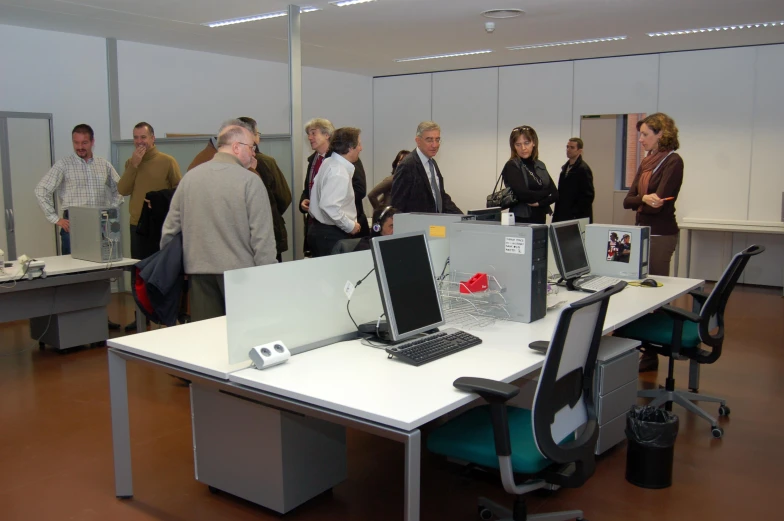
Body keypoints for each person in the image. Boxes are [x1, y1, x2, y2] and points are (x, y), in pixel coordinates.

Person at [160, 121, 277, 322]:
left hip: (199, 275)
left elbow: (169, 230)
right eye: (251, 147)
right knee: (243, 337)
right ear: (236, 147)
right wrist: (268, 277)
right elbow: (262, 238)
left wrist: (177, 267)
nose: (253, 153)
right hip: (241, 277)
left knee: (207, 340)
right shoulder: (250, 181)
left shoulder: (190, 178)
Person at [34, 123, 124, 330]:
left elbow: (120, 188)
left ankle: (99, 318)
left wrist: (109, 209)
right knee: (73, 275)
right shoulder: (64, 165)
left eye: (84, 142)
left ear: (92, 142)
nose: (80, 147)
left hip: (100, 227)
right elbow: (41, 190)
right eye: (76, 142)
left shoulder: (103, 165)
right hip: (73, 228)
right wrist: (55, 218)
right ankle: (73, 323)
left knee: (99, 275)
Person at [623, 112, 684, 372]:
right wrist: (644, 199)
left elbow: (659, 204)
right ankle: (642, 349)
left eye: (645, 134)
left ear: (661, 134)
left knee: (655, 296)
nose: (640, 139)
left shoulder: (673, 162)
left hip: (660, 235)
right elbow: (629, 200)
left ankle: (651, 353)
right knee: (638, 293)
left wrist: (644, 199)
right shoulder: (647, 162)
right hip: (641, 233)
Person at [118, 122, 181, 331]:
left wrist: (159, 202)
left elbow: (179, 192)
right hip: (137, 226)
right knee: (139, 273)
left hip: (161, 227)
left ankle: (163, 316)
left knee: (161, 273)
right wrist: (133, 166)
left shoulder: (167, 162)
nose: (139, 142)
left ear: (153, 138)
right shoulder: (131, 162)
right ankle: (140, 318)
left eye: (143, 137)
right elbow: (123, 189)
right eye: (136, 138)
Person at [299, 118, 369, 255]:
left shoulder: (328, 162)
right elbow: (329, 206)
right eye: (359, 144)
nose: (361, 148)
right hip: (331, 234)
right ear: (350, 148)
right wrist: (350, 226)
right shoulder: (339, 171)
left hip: (320, 231)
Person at [237, 117, 292, 262]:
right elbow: (284, 197)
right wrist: (271, 212)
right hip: (269, 233)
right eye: (258, 133)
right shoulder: (267, 162)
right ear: (252, 136)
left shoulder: (226, 165)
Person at [391, 122, 461, 214]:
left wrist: (464, 218)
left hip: (436, 224)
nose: (435, 145)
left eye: (437, 139)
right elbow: (397, 205)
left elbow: (440, 196)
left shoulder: (432, 163)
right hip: (417, 226)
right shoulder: (407, 165)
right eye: (429, 140)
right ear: (418, 141)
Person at [499, 126, 558, 224]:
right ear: (513, 146)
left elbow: (555, 194)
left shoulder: (540, 165)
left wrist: (539, 203)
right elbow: (524, 195)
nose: (523, 148)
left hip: (540, 218)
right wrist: (546, 193)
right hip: (521, 219)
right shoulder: (512, 166)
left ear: (533, 143)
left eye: (526, 143)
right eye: (518, 144)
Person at [552, 137, 594, 222]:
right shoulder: (565, 168)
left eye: (572, 147)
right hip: (563, 213)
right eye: (567, 147)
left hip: (576, 216)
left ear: (579, 151)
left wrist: (575, 212)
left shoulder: (583, 169)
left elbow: (588, 196)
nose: (568, 150)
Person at [332, 205, 397, 254]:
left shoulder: (400, 245)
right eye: (392, 226)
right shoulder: (365, 249)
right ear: (377, 228)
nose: (397, 230)